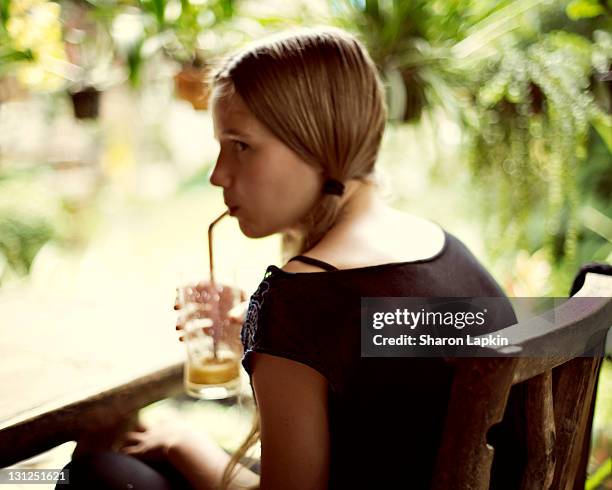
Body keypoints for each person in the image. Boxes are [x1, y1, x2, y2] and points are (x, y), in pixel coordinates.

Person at [58, 27, 525, 489]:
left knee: (96, 471)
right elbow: (383, 379)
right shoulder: (439, 247)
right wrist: (266, 339)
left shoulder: (301, 295)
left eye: (241, 145)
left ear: (318, 141)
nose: (218, 175)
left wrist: (184, 441)